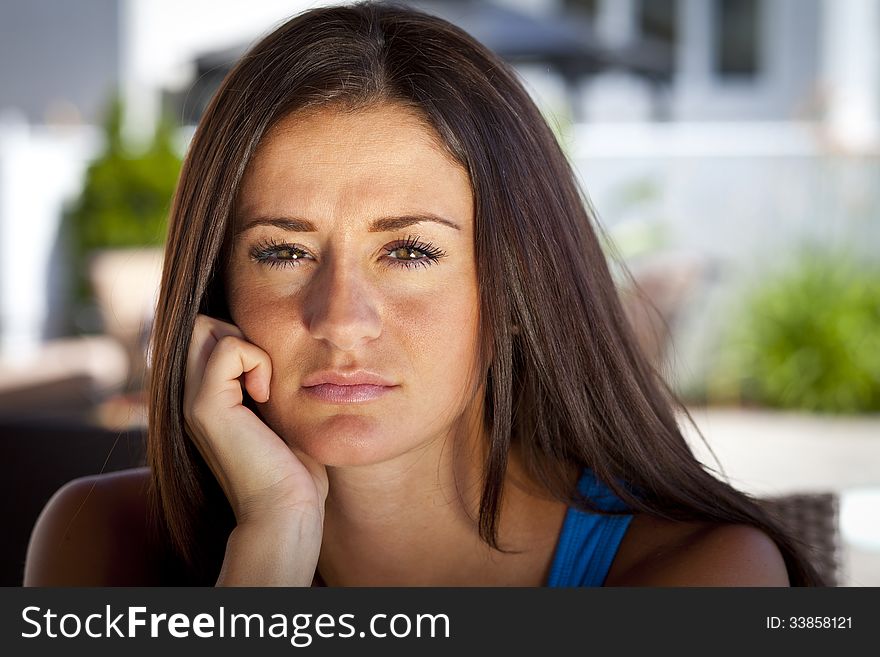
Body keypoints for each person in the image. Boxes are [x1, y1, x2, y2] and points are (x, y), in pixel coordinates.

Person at [24, 1, 823, 587]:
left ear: (513, 287)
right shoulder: (100, 546)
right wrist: (270, 548)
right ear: (220, 283)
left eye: (408, 250)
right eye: (283, 250)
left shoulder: (700, 575)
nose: (340, 318)